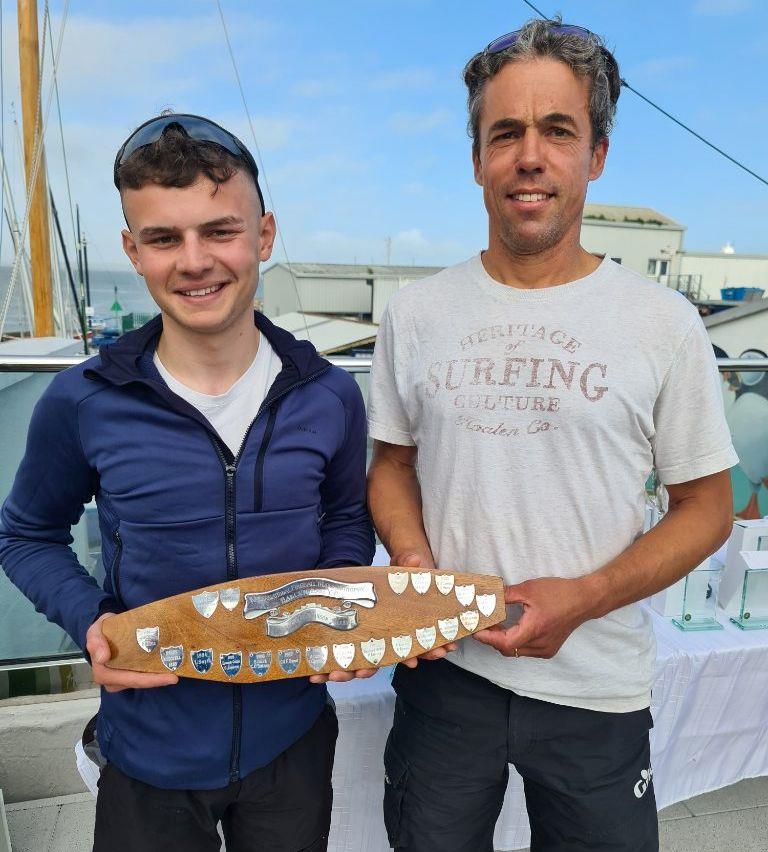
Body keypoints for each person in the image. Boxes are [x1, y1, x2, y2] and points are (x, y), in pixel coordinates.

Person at [366, 19, 737, 852]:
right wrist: (414, 563)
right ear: (477, 161)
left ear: (596, 154)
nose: (529, 156)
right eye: (506, 133)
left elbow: (706, 508)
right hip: (446, 675)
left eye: (557, 130)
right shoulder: (416, 315)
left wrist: (587, 596)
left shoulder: (664, 324)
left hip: (596, 687)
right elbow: (391, 466)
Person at [0, 113, 375, 852]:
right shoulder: (82, 401)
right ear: (132, 251)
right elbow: (26, 533)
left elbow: (344, 520)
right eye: (165, 239)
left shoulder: (329, 394)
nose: (195, 261)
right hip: (148, 752)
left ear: (264, 235)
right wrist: (91, 620)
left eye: (219, 231)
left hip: (292, 739)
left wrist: (338, 600)